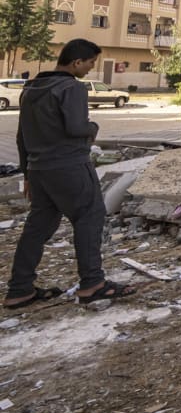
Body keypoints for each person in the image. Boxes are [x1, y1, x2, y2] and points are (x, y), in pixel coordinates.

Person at [4, 39, 136, 310]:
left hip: (39, 170)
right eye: (90, 63)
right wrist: (93, 127)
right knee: (89, 217)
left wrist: (27, 174)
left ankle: (19, 289)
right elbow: (76, 128)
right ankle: (93, 283)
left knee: (38, 227)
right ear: (76, 62)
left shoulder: (32, 88)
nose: (90, 68)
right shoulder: (71, 88)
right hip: (70, 166)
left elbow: (21, 137)